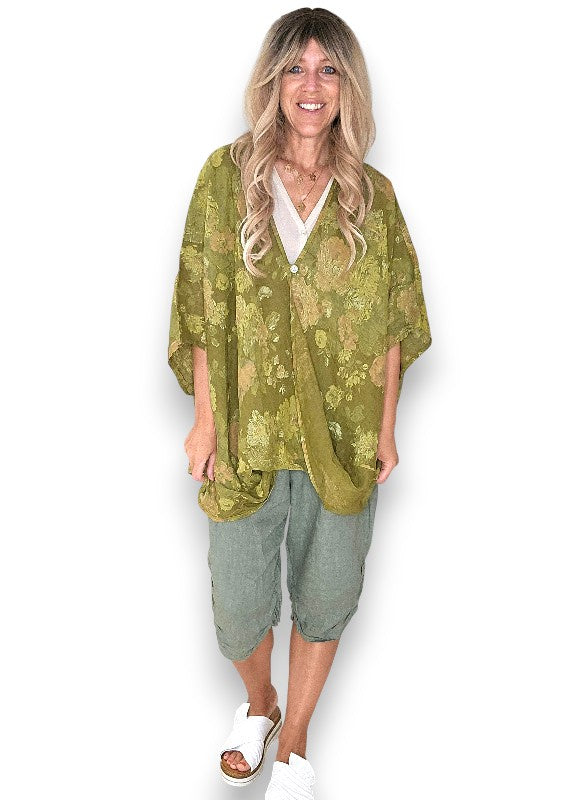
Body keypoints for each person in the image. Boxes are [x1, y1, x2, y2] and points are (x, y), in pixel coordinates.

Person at [167, 8, 432, 798]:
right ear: (273, 80)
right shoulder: (226, 177)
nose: (310, 85)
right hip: (244, 428)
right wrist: (204, 420)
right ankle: (261, 704)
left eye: (328, 69)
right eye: (295, 67)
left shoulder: (372, 198)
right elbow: (202, 305)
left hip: (342, 434)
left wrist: (387, 428)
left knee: (327, 592)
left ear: (348, 85)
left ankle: (295, 741)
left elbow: (395, 320)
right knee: (238, 604)